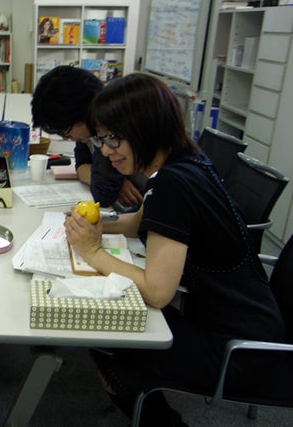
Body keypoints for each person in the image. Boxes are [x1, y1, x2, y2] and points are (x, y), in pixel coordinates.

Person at [63, 73, 288, 426]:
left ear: (145, 128)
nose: (105, 150)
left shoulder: (171, 185)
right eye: (101, 139)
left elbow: (157, 291)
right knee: (111, 317)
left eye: (113, 138)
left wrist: (93, 253)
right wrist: (102, 227)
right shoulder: (185, 162)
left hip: (239, 351)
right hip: (250, 323)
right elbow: (140, 221)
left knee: (104, 335)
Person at [31, 65, 144, 209]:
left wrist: (108, 181)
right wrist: (114, 181)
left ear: (86, 113)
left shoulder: (113, 134)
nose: (66, 138)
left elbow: (103, 194)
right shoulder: (89, 134)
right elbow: (81, 166)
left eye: (65, 131)